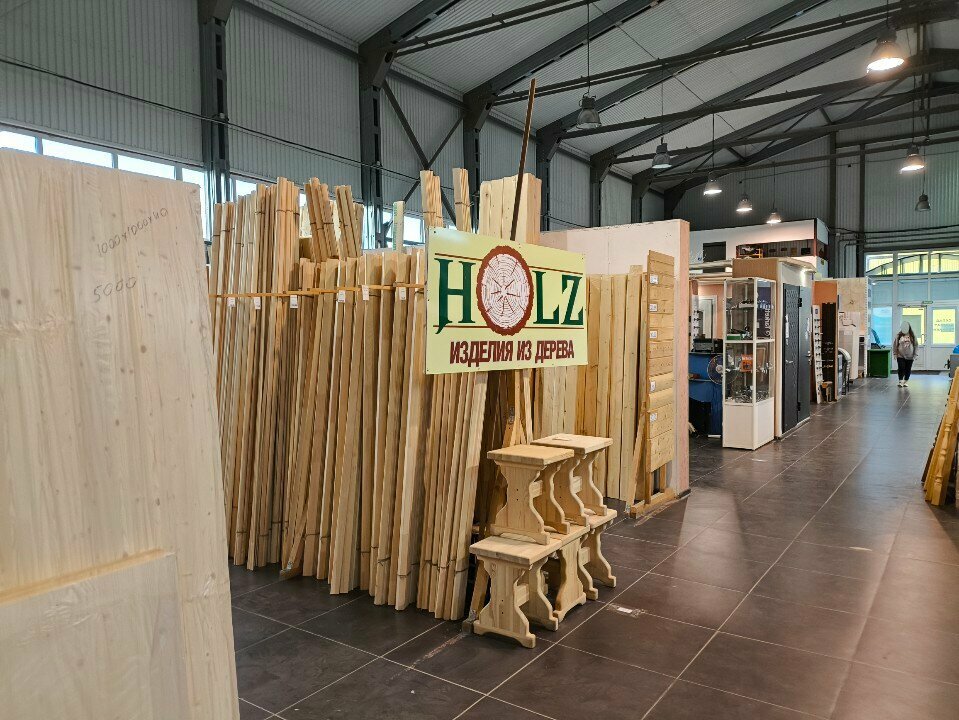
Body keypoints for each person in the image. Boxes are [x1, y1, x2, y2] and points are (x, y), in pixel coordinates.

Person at [893, 320, 917, 387]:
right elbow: (895, 345)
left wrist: (915, 355)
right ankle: (900, 381)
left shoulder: (912, 336)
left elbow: (916, 345)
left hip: (910, 356)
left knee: (908, 369)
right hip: (900, 355)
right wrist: (895, 354)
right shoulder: (898, 335)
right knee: (901, 367)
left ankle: (906, 381)